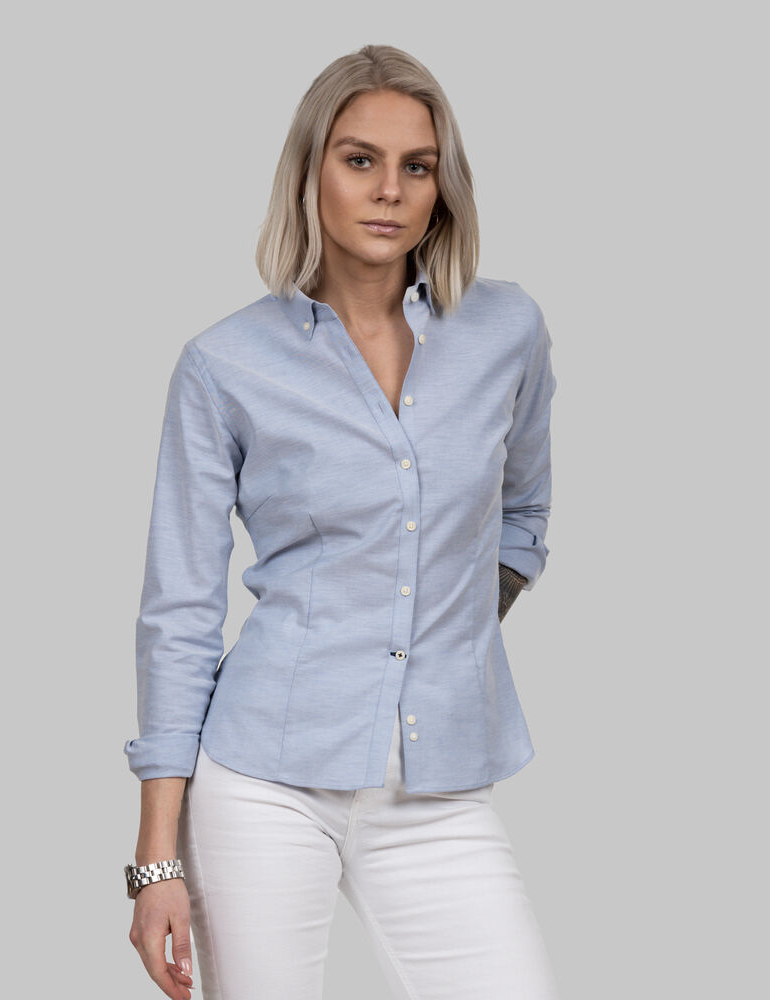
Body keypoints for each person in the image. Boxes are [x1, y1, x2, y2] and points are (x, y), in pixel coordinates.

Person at [123, 43, 560, 1000]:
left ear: (443, 187)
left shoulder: (507, 331)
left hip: (440, 788)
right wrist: (157, 863)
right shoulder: (225, 365)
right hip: (263, 781)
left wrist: (451, 625)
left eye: (417, 165)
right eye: (360, 159)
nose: (389, 190)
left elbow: (523, 512)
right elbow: (180, 613)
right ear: (310, 170)